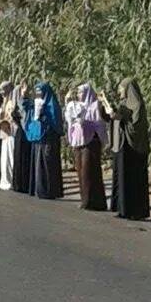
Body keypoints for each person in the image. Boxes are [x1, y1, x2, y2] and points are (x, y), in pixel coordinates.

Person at [101, 79, 150, 220]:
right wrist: (108, 111)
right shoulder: (123, 103)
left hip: (133, 148)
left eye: (122, 88)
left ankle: (135, 211)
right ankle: (122, 208)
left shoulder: (137, 105)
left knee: (133, 179)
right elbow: (115, 120)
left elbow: (136, 127)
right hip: (121, 145)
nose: (119, 91)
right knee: (121, 177)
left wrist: (122, 117)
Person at [65, 83, 108, 211]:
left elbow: (100, 123)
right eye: (78, 92)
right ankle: (85, 199)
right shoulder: (77, 106)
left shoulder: (95, 105)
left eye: (81, 92)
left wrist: (87, 124)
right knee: (80, 171)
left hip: (91, 142)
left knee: (89, 172)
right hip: (79, 142)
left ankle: (94, 201)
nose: (79, 95)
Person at [23, 82, 64, 200]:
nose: (38, 94)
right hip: (37, 137)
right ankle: (38, 189)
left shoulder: (52, 105)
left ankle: (48, 191)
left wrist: (44, 116)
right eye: (36, 91)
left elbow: (55, 122)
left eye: (40, 91)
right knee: (37, 164)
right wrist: (24, 95)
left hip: (48, 139)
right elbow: (26, 108)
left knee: (46, 164)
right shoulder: (35, 103)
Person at [12, 82, 32, 194]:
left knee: (26, 157)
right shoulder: (16, 106)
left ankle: (25, 184)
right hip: (20, 133)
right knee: (19, 157)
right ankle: (19, 184)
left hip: (27, 133)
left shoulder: (29, 103)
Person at [0, 81, 16, 191]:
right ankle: (5, 180)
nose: (2, 92)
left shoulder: (12, 102)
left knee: (10, 158)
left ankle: (11, 180)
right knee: (4, 159)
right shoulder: (5, 102)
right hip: (4, 133)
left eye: (3, 90)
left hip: (11, 133)